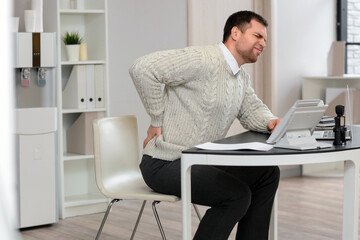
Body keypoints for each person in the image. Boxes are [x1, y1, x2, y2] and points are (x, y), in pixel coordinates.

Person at [129, 10, 281, 240]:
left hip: (201, 161)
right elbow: (142, 68)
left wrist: (272, 122)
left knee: (267, 173)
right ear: (235, 33)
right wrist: (156, 119)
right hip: (165, 163)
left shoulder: (240, 76)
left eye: (265, 39)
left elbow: (251, 110)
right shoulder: (203, 59)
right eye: (257, 36)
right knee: (236, 196)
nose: (263, 43)